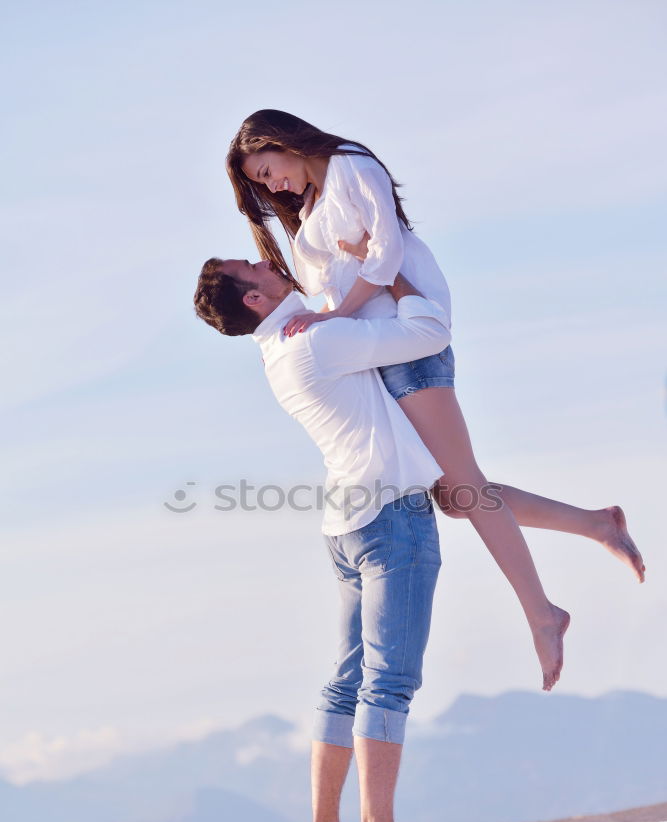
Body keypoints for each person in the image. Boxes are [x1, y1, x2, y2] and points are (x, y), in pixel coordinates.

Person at [226, 109, 645, 693]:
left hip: (409, 338)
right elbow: (346, 276)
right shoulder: (319, 201)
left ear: (283, 143)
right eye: (262, 185)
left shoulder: (350, 164)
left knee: (464, 485)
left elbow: (387, 253)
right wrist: (328, 313)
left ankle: (542, 613)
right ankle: (597, 524)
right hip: (380, 350)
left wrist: (335, 315)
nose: (272, 188)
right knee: (454, 494)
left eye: (267, 171)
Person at [194, 254, 460, 822]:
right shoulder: (317, 341)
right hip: (392, 514)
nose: (265, 259)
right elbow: (430, 332)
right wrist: (393, 272)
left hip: (346, 524)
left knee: (346, 683)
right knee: (389, 680)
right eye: (251, 267)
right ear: (254, 299)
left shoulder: (282, 351)